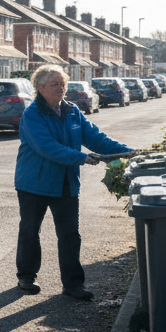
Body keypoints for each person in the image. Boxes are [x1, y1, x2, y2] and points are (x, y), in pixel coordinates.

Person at [15, 64, 131, 301]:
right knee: (29, 231)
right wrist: (82, 158)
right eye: (54, 85)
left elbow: (96, 138)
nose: (60, 89)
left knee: (70, 234)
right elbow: (46, 147)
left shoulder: (73, 111)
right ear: (40, 88)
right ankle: (26, 277)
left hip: (66, 182)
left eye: (63, 84)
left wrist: (127, 153)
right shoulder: (32, 115)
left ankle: (73, 284)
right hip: (34, 184)